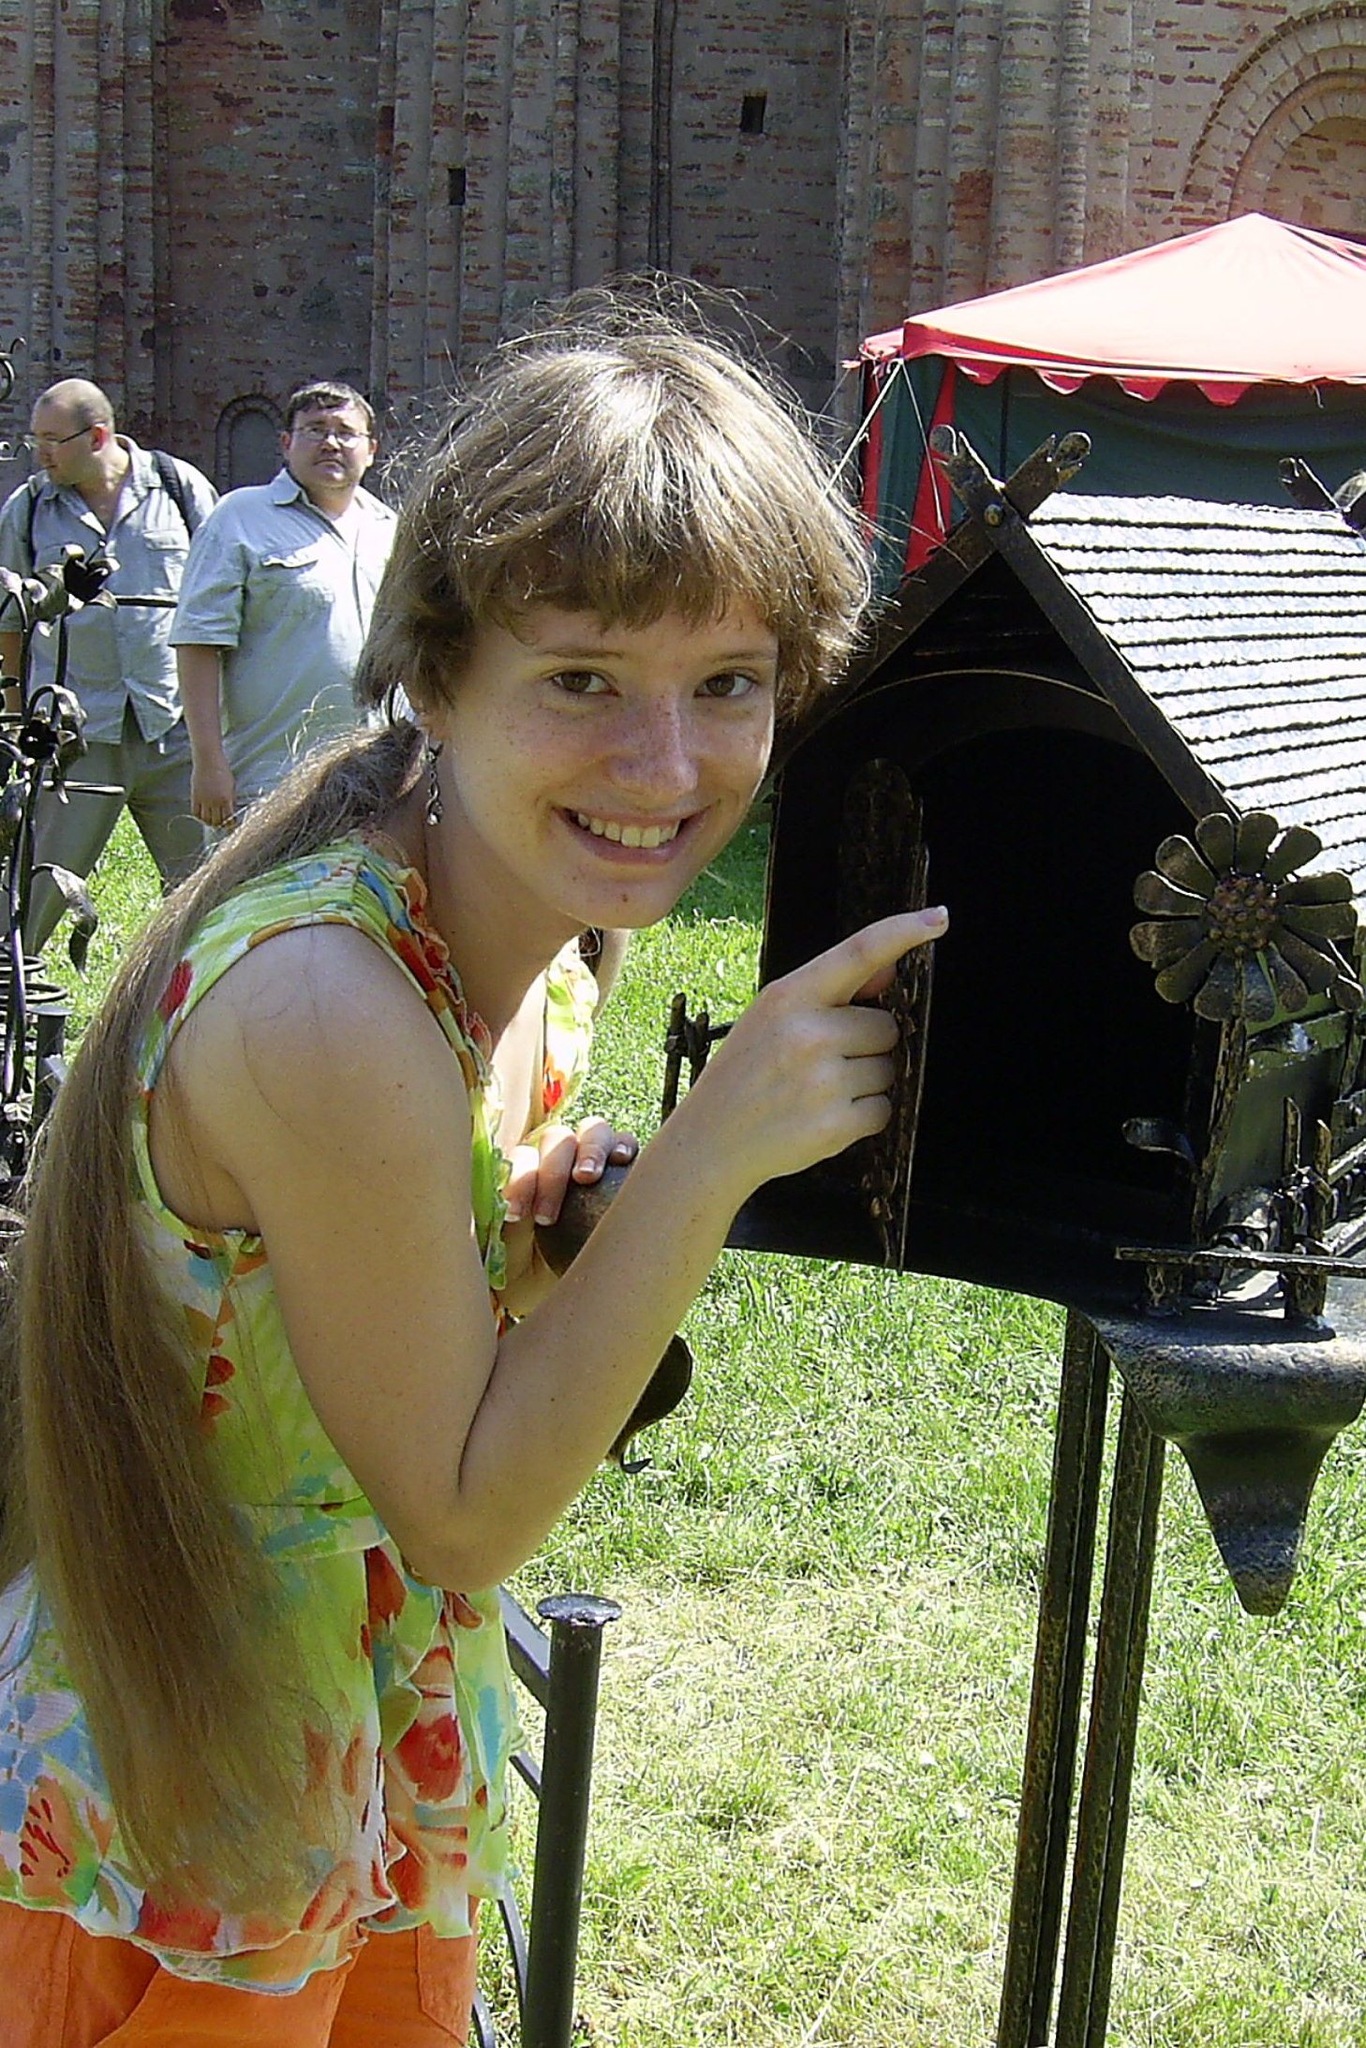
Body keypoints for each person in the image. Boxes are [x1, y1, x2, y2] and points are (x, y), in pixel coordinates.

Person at [0, 299, 948, 2046]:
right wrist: (713, 1149)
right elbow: (459, 1508)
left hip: (345, 1742)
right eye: (582, 678)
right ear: (436, 675)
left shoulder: (536, 935)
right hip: (181, 1795)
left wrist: (525, 1251)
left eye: (728, 683)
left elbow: (356, 1343)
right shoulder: (330, 1001)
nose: (666, 767)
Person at [0, 378, 217, 951]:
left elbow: (220, 599)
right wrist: (17, 718)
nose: (41, 453)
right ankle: (10, 992)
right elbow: (9, 620)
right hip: (75, 739)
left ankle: (203, 997)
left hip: (173, 731)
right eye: (36, 439)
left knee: (210, 895)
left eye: (52, 440)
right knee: (30, 898)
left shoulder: (178, 489)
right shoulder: (29, 509)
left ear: (97, 436)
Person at [171, 380, 397, 829]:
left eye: (345, 432)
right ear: (286, 443)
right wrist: (209, 764)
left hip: (374, 774)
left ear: (371, 449)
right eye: (315, 429)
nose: (330, 442)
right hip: (266, 778)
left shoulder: (390, 529)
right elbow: (198, 643)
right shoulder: (239, 519)